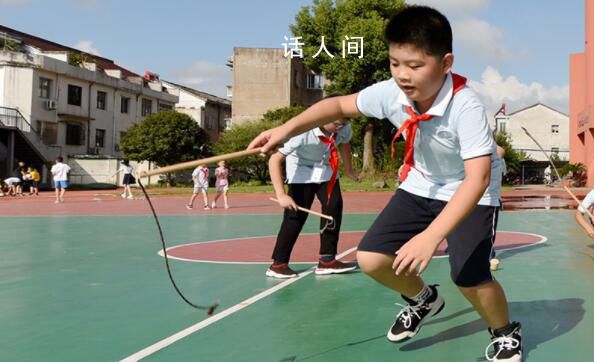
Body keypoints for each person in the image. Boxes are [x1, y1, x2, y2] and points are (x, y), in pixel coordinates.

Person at [248, 6, 521, 361]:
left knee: (468, 276)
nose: (403, 75)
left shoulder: (465, 105)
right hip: (421, 185)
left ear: (446, 62)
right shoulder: (392, 91)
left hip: (471, 192)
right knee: (371, 258)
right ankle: (424, 300)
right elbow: (337, 105)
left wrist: (431, 236)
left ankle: (505, 332)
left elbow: (478, 178)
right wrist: (285, 129)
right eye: (395, 63)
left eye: (415, 65)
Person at [266, 117, 360, 279]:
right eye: (336, 123)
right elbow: (274, 159)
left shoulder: (344, 127)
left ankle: (327, 260)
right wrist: (281, 195)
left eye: (343, 124)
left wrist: (349, 170)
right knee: (295, 216)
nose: (340, 128)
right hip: (301, 171)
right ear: (324, 116)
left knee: (334, 207)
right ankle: (278, 264)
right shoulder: (300, 131)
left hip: (326, 169)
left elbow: (344, 144)